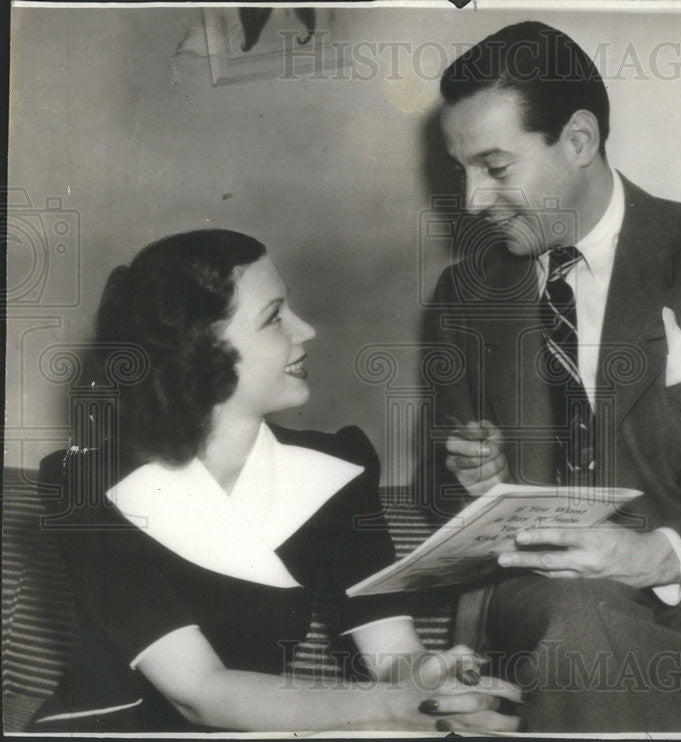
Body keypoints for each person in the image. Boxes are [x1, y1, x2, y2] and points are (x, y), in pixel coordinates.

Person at [426, 21, 681, 732]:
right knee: (583, 623)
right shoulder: (465, 297)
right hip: (551, 615)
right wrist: (471, 485)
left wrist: (652, 555)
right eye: (461, 169)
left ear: (579, 141)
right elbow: (439, 503)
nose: (472, 202)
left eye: (494, 167)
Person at [30, 230, 520, 733]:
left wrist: (433, 680)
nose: (306, 330)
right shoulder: (83, 485)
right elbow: (199, 693)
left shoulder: (338, 467)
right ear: (197, 351)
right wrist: (397, 704)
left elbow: (393, 654)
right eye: (274, 318)